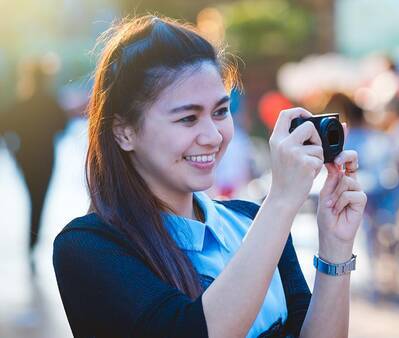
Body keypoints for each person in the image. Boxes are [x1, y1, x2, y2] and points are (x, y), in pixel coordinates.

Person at [52, 15, 366, 338]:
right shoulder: (88, 246)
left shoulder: (251, 221)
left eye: (220, 112)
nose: (213, 136)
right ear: (124, 132)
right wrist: (282, 200)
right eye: (188, 118)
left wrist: (335, 247)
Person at [0, 56, 68, 266]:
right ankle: (33, 240)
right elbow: (62, 127)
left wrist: (13, 149)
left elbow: (4, 127)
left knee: (33, 197)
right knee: (40, 199)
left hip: (26, 158)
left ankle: (32, 241)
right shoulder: (51, 103)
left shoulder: (22, 104)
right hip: (46, 157)